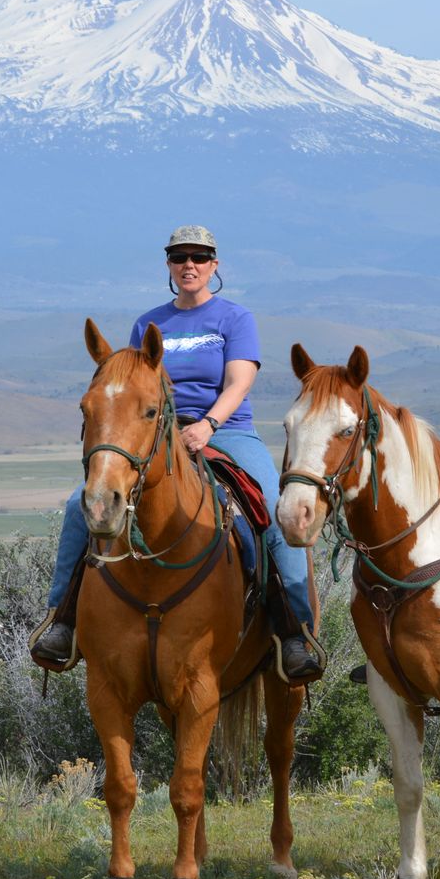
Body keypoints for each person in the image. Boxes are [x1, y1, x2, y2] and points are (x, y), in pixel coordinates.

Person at [31, 225, 322, 681]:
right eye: (179, 256)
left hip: (226, 432)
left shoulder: (234, 319)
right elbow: (129, 390)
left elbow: (239, 382)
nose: (190, 264)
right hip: (155, 435)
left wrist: (207, 425)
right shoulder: (149, 323)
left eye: (200, 257)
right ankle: (61, 620)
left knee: (269, 505)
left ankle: (294, 630)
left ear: (214, 265)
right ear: (168, 264)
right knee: (79, 505)